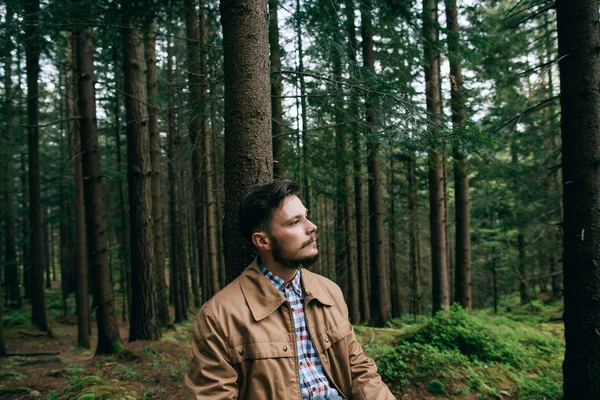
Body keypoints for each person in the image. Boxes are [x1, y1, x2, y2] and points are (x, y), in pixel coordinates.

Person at [185, 180, 395, 400]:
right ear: (263, 241)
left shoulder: (329, 291)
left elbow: (359, 371)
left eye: (306, 216)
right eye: (295, 222)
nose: (311, 226)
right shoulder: (219, 316)